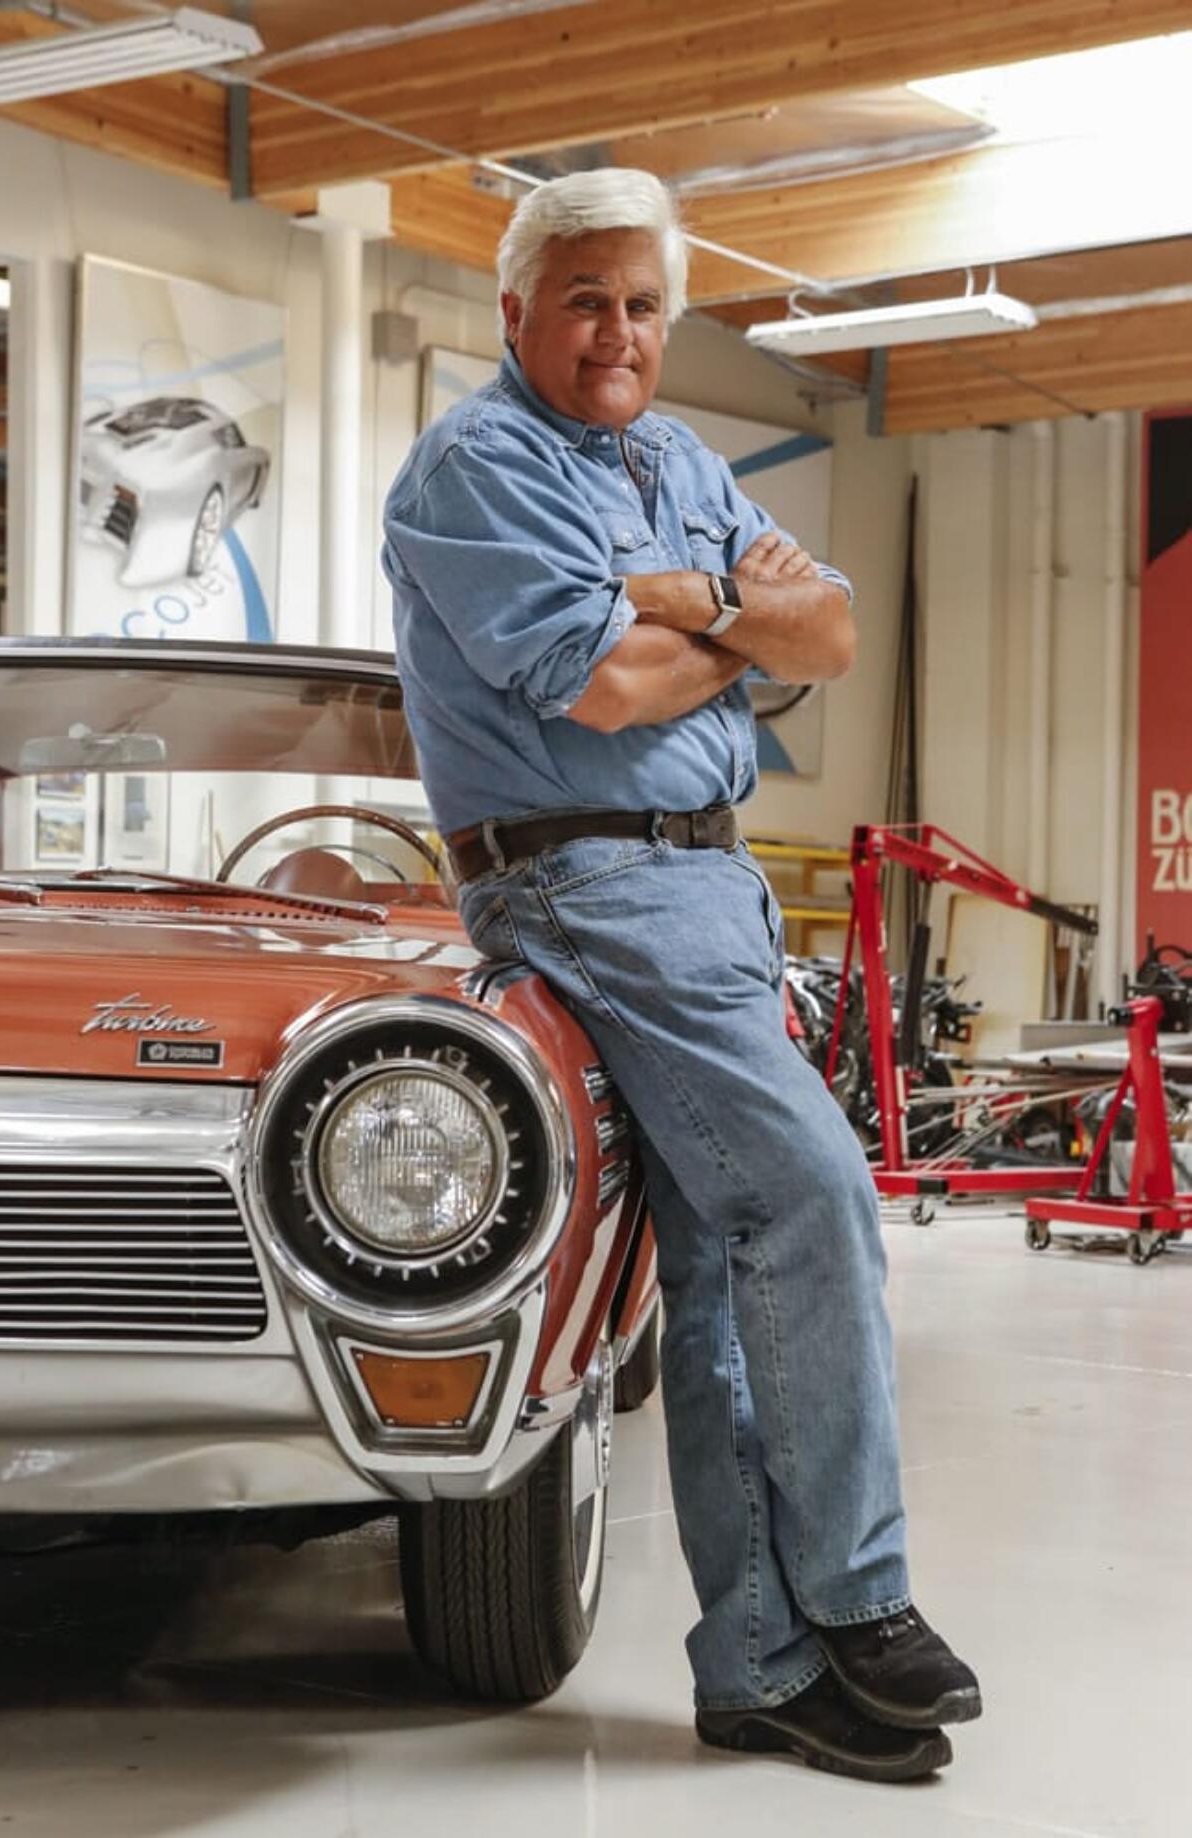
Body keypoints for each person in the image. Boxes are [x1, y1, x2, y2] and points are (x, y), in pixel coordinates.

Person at [382, 167, 980, 1784]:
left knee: (722, 1270)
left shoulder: (672, 457)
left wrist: (684, 603)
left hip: (703, 880)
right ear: (516, 312)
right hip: (583, 876)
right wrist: (733, 609)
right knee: (806, 1188)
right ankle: (859, 1599)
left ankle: (762, 1669)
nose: (619, 333)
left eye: (643, 305)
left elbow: (836, 632)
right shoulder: (475, 464)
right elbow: (602, 686)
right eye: (586, 301)